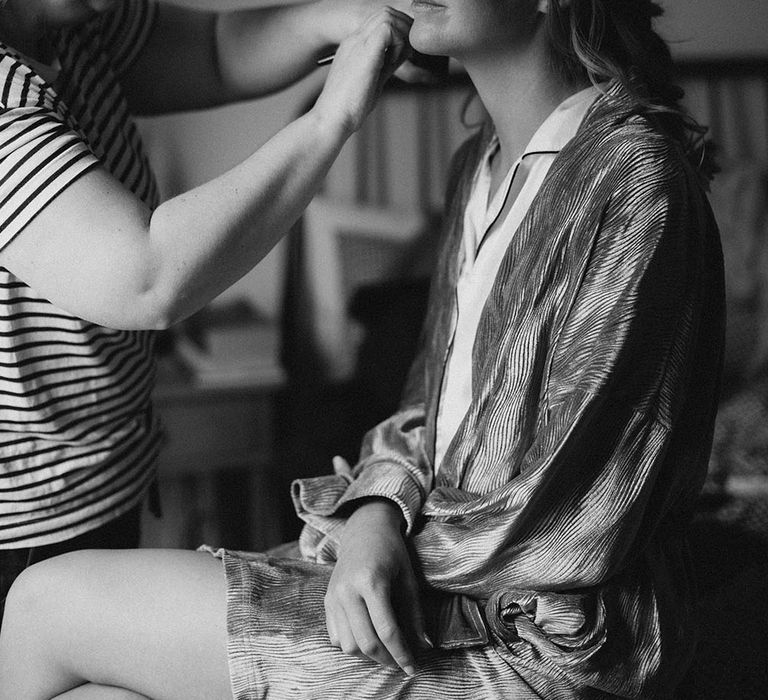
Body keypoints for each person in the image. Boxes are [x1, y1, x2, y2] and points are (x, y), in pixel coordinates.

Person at [0, 0, 724, 697]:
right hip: (432, 568)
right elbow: (425, 407)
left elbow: (579, 511)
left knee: (40, 607)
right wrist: (375, 513)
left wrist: (381, 536)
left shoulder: (635, 184)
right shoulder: (480, 163)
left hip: (543, 637)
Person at [0, 0, 425, 616]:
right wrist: (333, 115)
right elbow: (147, 277)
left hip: (100, 474)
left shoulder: (77, 17)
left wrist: (355, 16)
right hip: (28, 522)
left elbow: (216, 49)